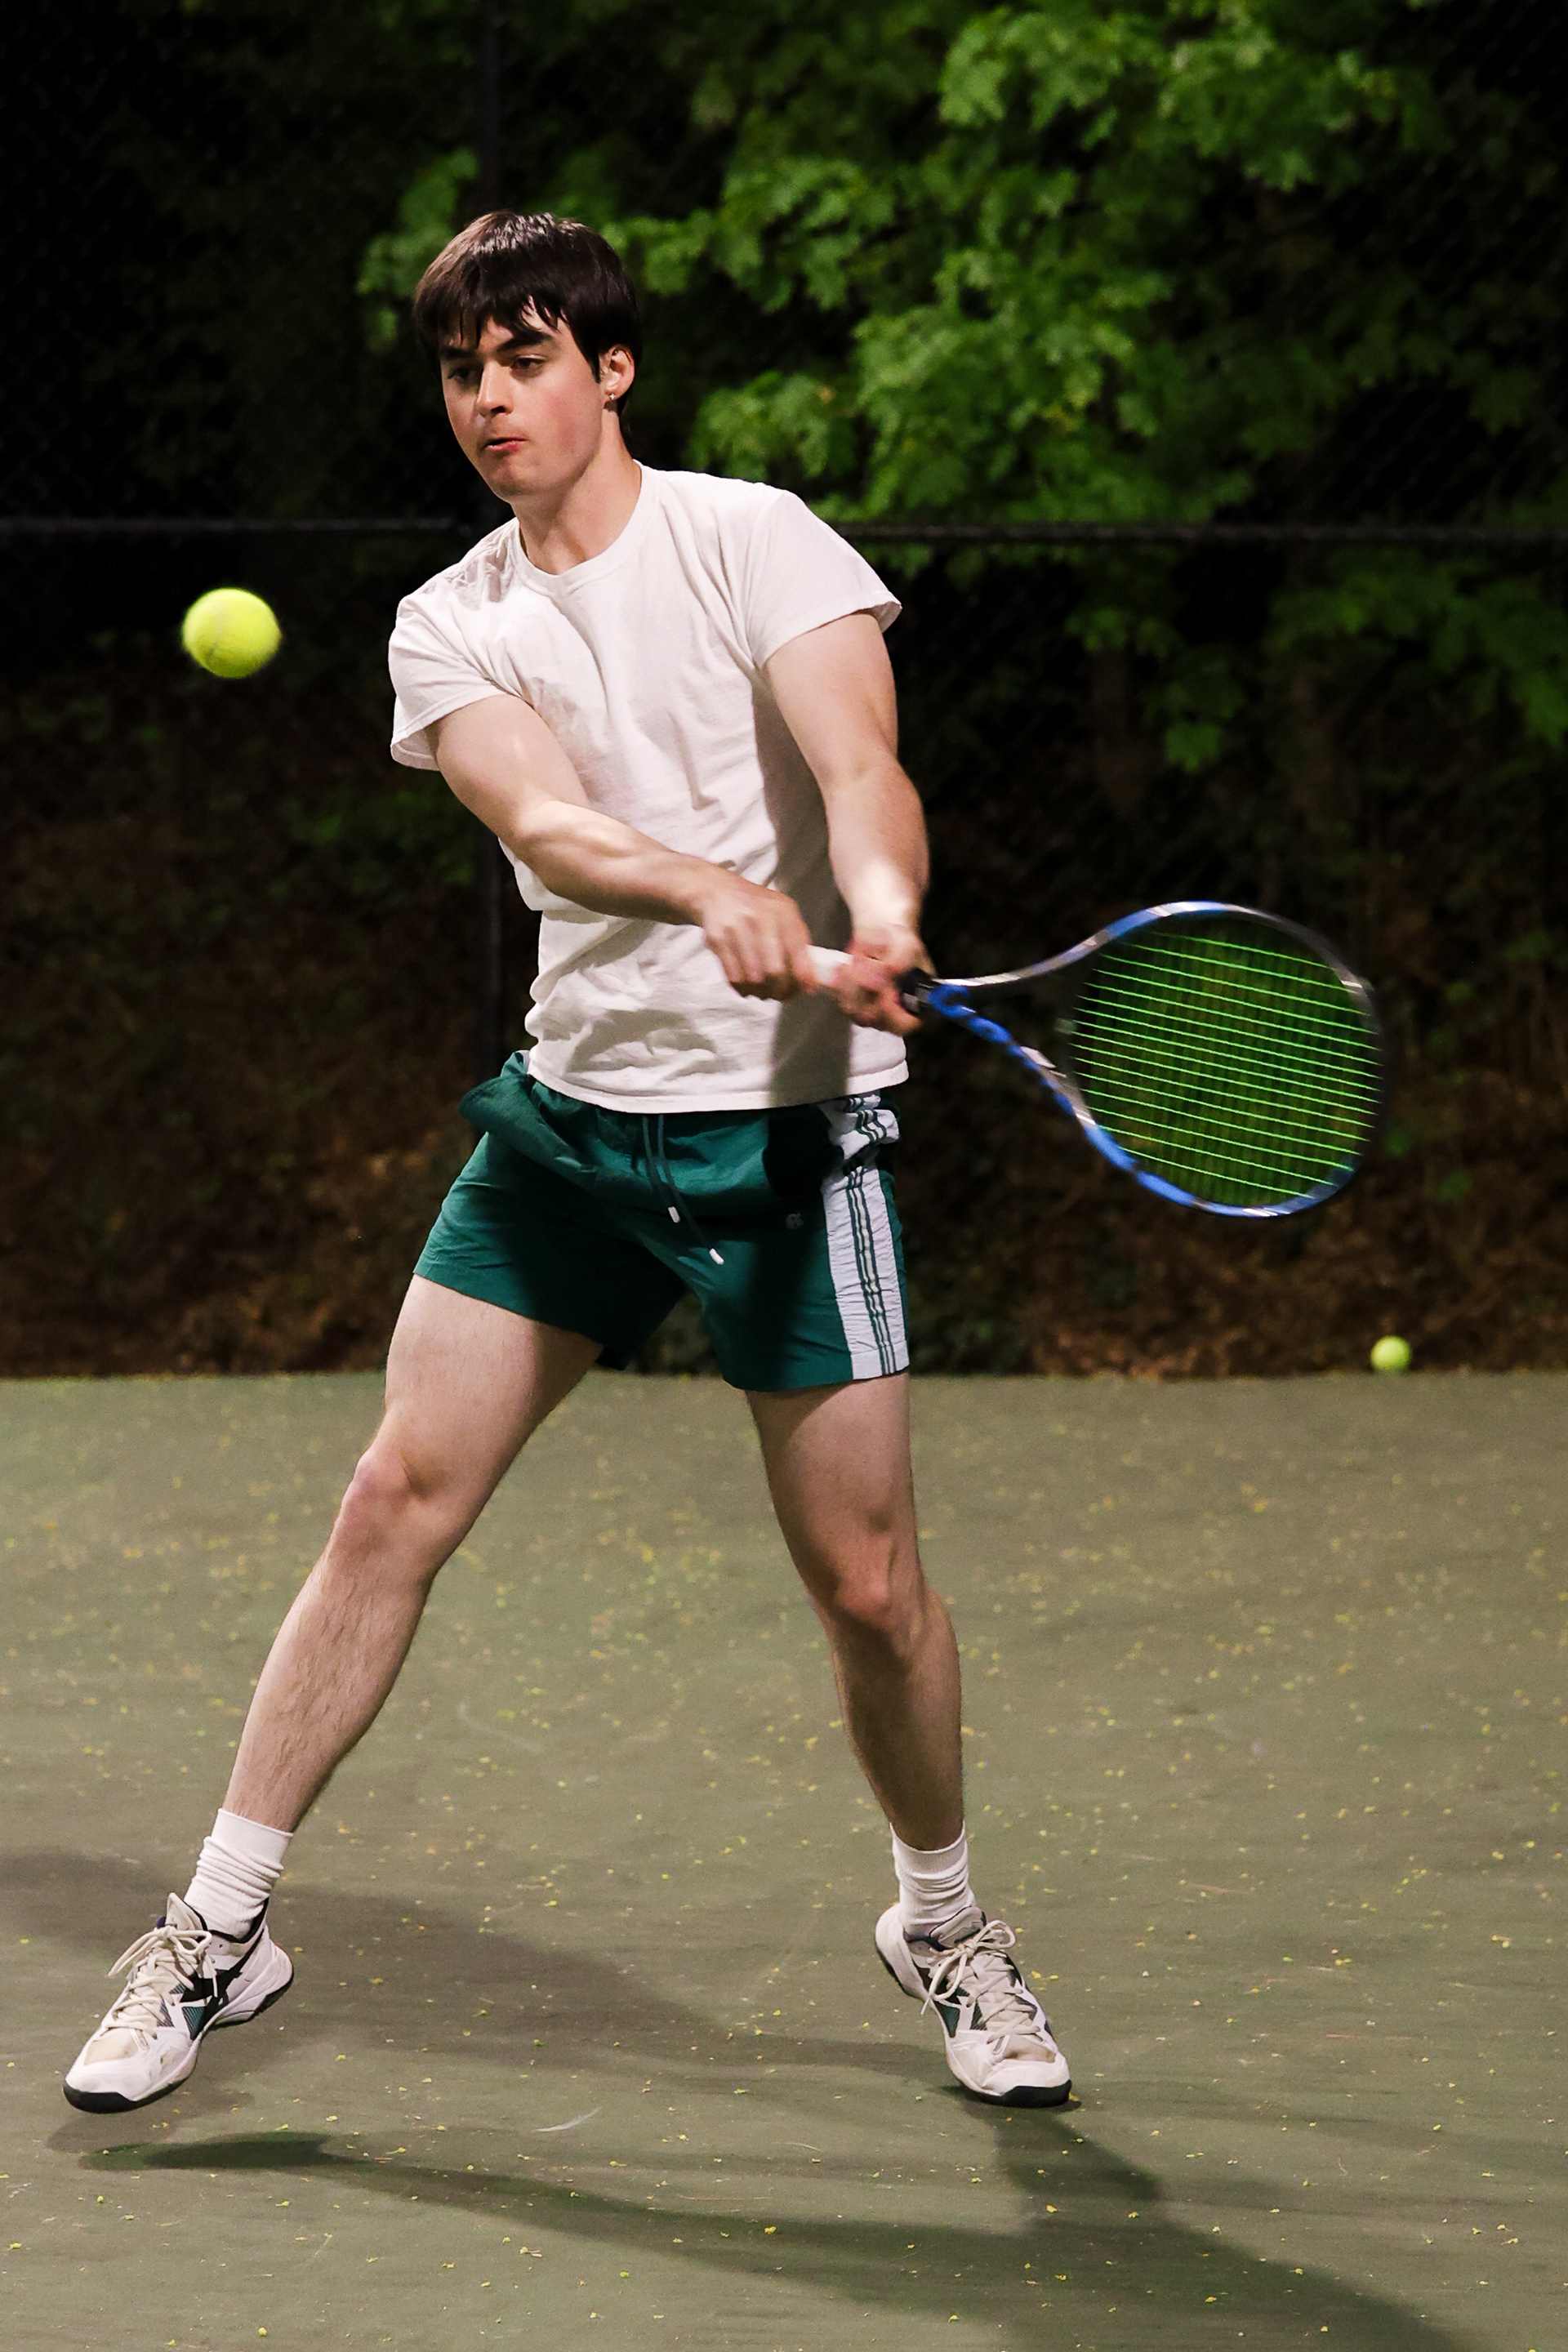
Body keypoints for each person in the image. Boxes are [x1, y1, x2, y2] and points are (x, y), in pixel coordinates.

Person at [63, 212, 1070, 2117]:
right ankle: (219, 1925)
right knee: (390, 1502)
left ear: (609, 370)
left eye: (524, 358)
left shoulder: (751, 536)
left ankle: (941, 1922)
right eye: (461, 370)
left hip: (789, 1140)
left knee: (867, 1589)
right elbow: (542, 812)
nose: (488, 399)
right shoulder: (451, 618)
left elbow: (862, 768)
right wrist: (709, 887)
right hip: (571, 1133)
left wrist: (871, 908)